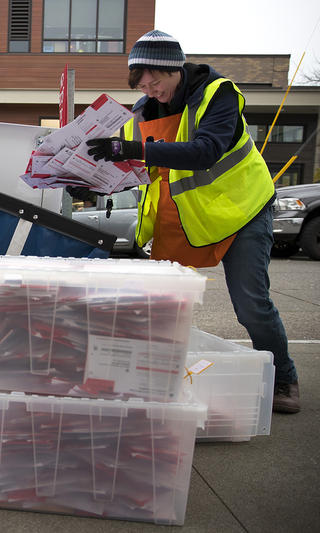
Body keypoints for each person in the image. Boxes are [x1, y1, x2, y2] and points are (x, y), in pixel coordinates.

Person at [84, 30, 300, 413]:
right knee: (161, 304)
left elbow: (205, 152)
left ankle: (283, 379)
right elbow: (139, 169)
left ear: (175, 69)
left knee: (251, 304)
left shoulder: (218, 94)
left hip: (242, 209)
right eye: (141, 82)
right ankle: (157, 376)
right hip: (186, 215)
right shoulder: (141, 111)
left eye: (155, 78)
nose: (149, 88)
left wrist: (134, 149)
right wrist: (88, 180)